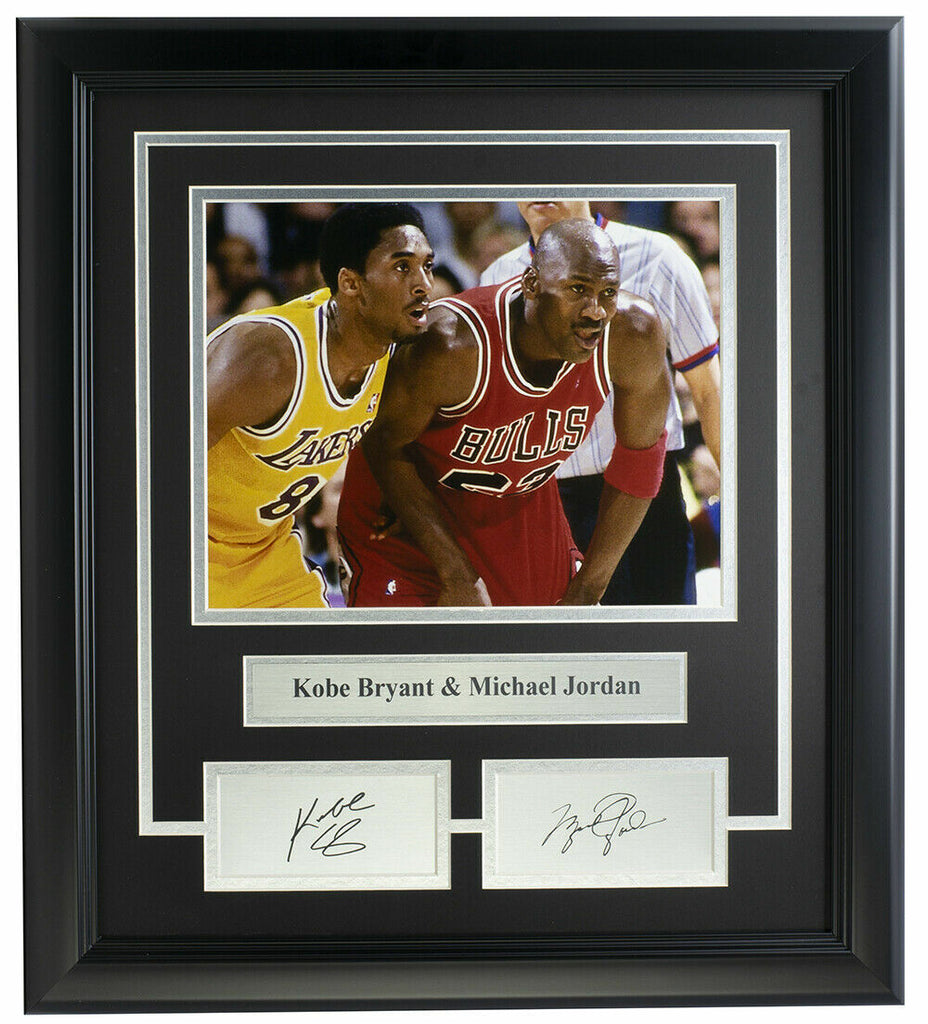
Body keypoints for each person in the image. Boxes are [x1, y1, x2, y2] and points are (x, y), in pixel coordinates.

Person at [337, 219, 671, 607]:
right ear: (531, 284)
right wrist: (456, 573)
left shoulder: (632, 334)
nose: (595, 311)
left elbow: (641, 458)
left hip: (518, 505)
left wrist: (589, 586)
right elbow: (382, 443)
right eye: (577, 289)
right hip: (408, 509)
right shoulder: (451, 345)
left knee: (553, 642)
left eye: (608, 292)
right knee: (419, 644)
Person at [481, 200, 720, 605]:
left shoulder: (658, 255)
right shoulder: (497, 274)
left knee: (658, 638)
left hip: (644, 494)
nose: (540, 191)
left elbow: (709, 390)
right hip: (541, 499)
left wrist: (746, 508)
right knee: (557, 643)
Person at [207, 202, 433, 608]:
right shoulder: (268, 357)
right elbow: (154, 465)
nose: (424, 284)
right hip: (192, 551)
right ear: (350, 283)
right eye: (402, 267)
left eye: (427, 266)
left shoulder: (393, 355)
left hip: (266, 553)